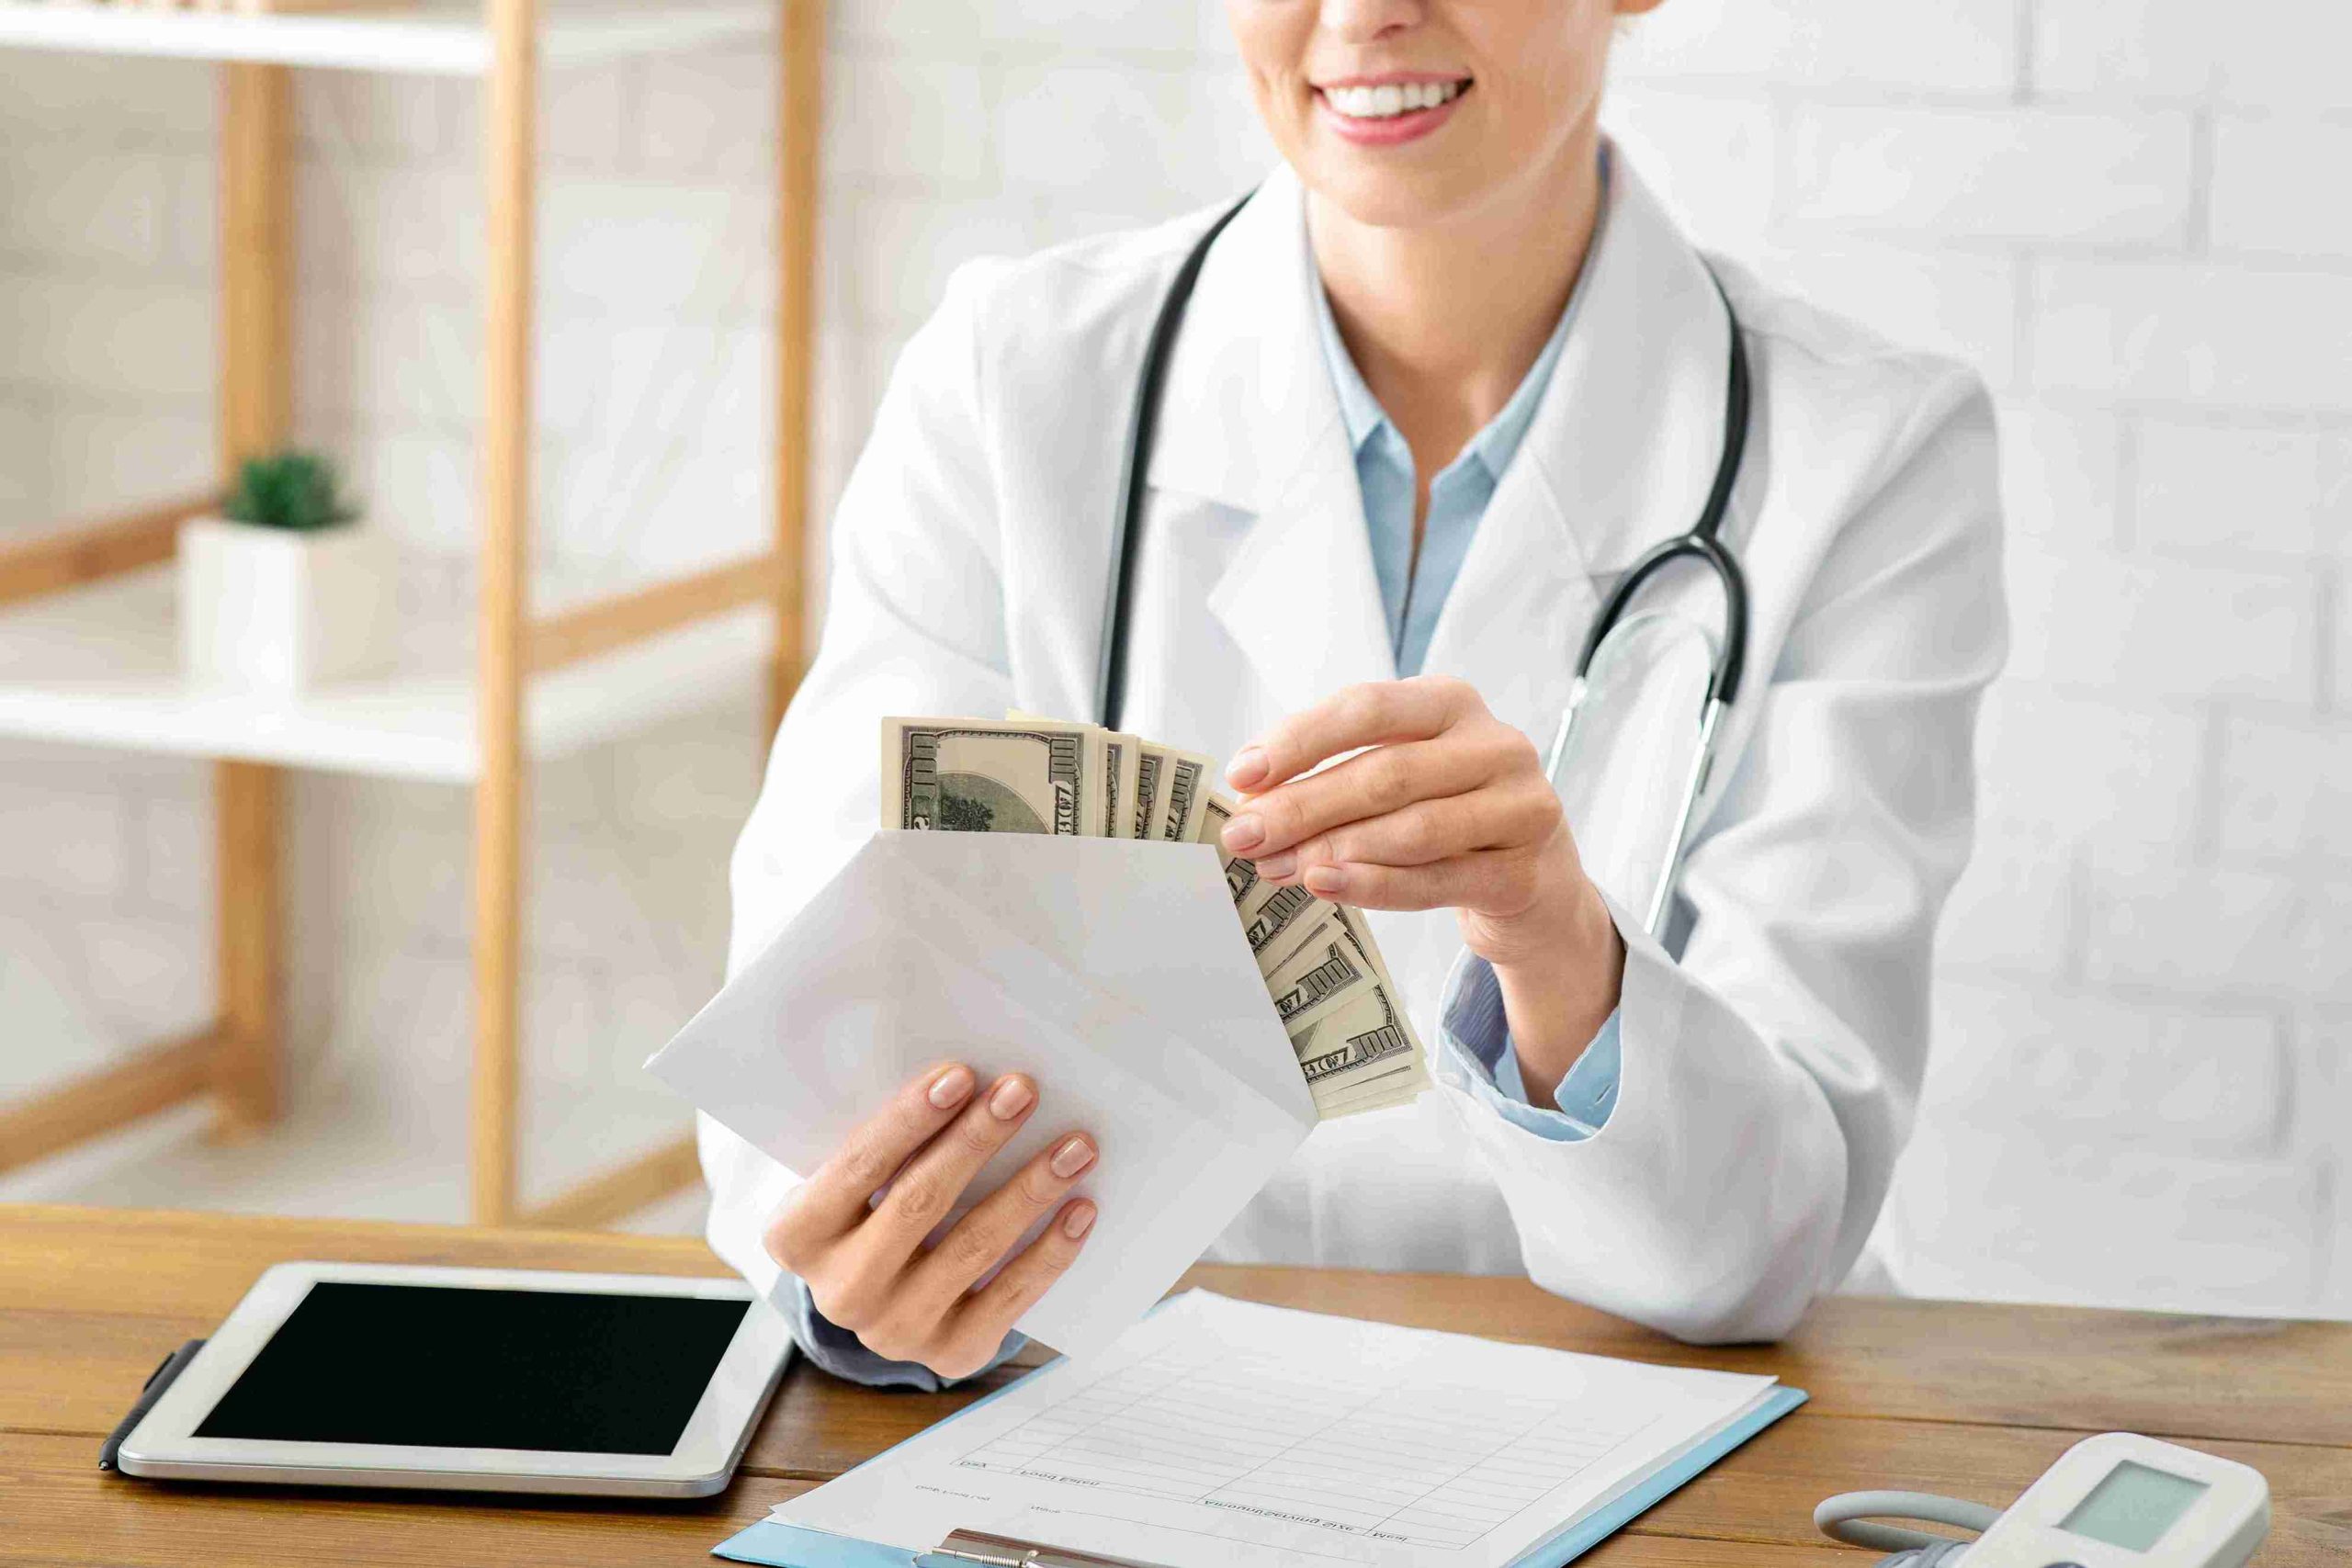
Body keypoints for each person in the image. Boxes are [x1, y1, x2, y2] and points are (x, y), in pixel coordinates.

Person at [702, 0, 2007, 1384]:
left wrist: (1559, 944)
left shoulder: (1867, 456)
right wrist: (873, 1283)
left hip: (1644, 1423)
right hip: (1104, 1415)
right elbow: (802, 1064)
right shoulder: (1007, 383)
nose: (1368, 12)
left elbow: (1766, 1233)